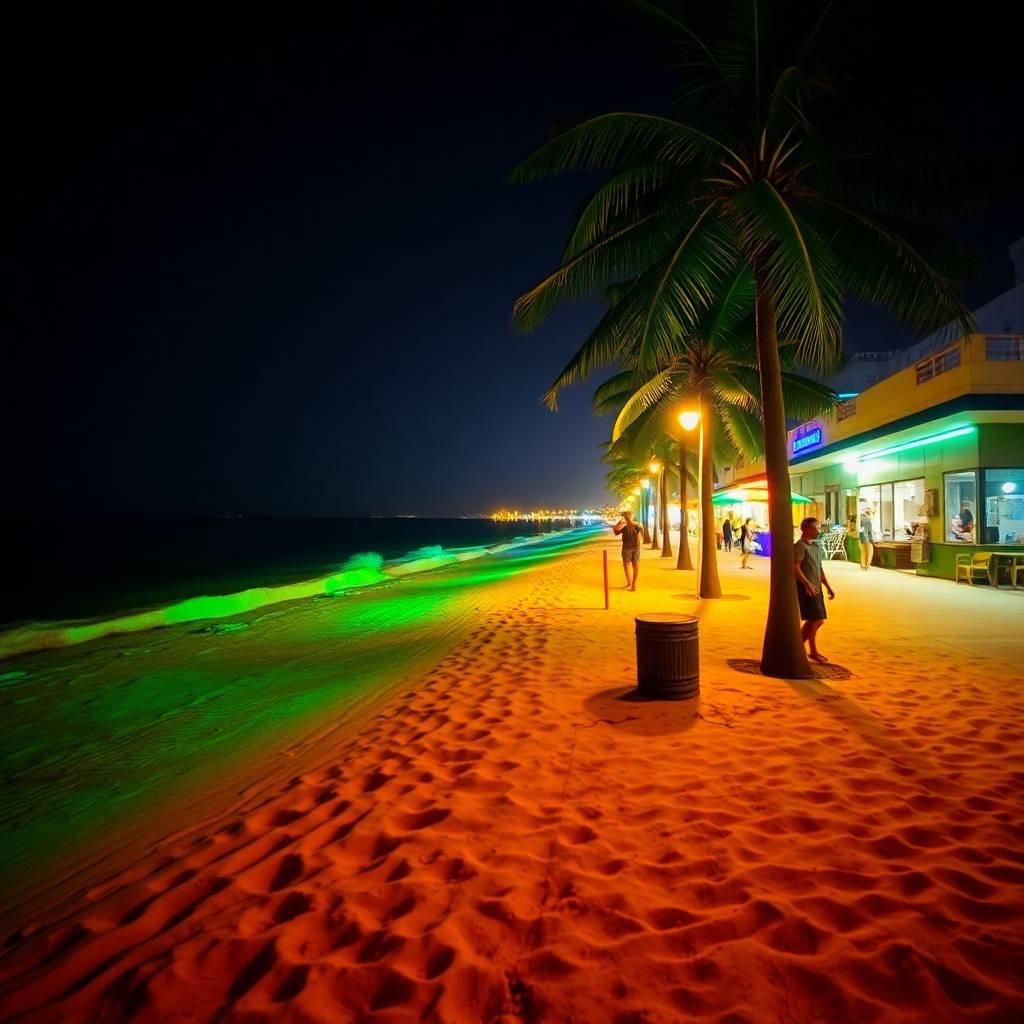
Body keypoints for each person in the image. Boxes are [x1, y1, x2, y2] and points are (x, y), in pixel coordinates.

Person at [794, 517, 835, 664]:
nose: (818, 530)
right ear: (806, 529)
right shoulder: (800, 546)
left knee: (814, 620)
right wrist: (806, 584)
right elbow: (795, 567)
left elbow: (819, 569)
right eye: (815, 528)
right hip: (807, 589)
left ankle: (796, 647)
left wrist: (827, 586)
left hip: (816, 587)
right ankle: (812, 651)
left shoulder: (816, 546)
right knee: (817, 619)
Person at [612, 509, 643, 591]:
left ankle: (631, 583)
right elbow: (616, 532)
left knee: (628, 565)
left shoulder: (632, 525)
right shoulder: (634, 525)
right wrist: (619, 524)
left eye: (625, 517)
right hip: (634, 547)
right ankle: (632, 583)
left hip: (629, 548)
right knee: (633, 565)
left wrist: (619, 524)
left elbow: (616, 531)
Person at [859, 506, 875, 570]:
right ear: (869, 513)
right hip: (867, 538)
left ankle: (863, 565)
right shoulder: (868, 519)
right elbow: (869, 531)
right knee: (870, 551)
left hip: (861, 538)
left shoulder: (860, 518)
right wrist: (872, 540)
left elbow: (861, 529)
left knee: (863, 552)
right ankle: (867, 565)